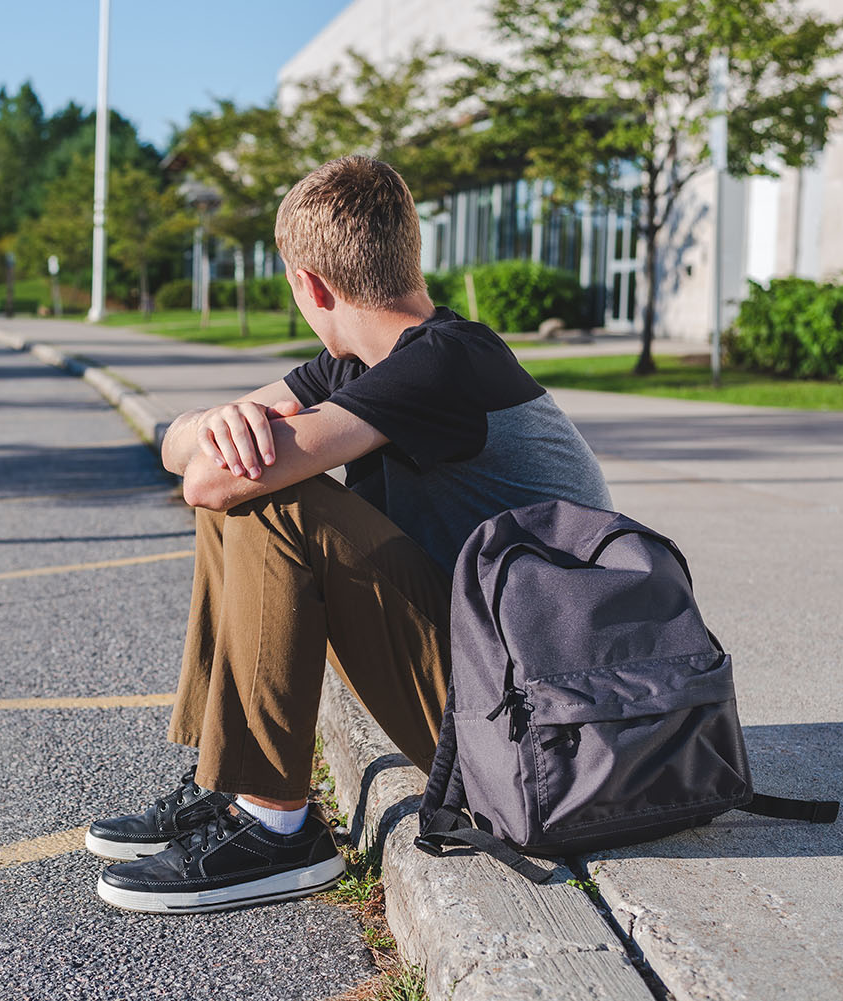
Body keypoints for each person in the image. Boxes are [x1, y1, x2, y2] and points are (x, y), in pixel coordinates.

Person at [87, 156, 612, 914]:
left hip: (536, 730)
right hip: (507, 696)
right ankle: (224, 782)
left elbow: (210, 479)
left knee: (273, 500)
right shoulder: (367, 363)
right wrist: (214, 422)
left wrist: (223, 442)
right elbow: (181, 447)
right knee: (250, 479)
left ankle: (275, 827)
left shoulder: (441, 366)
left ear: (310, 286)